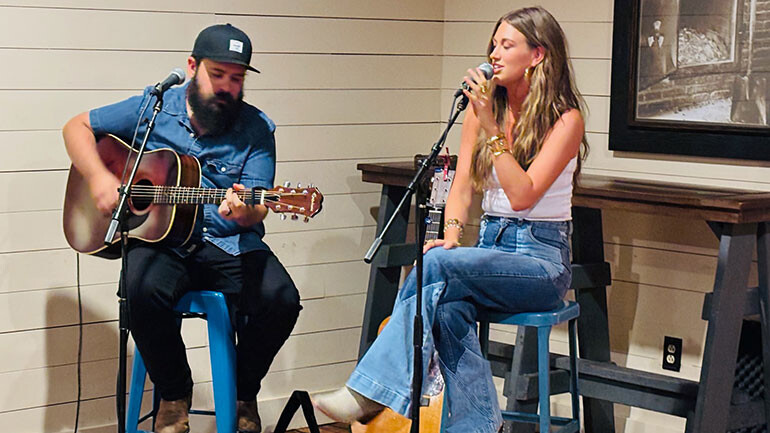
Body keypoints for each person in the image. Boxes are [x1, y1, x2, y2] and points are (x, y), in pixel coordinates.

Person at [313, 6, 588, 433]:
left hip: (541, 262)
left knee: (435, 270)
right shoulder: (485, 112)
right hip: (492, 251)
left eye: (507, 45)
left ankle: (370, 394)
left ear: (538, 55)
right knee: (445, 303)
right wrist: (453, 235)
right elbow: (461, 185)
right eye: (493, 44)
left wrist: (492, 126)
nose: (494, 54)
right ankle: (479, 426)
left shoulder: (565, 120)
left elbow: (522, 195)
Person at [62, 24, 301, 433]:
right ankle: (174, 394)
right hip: (161, 241)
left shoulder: (258, 130)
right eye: (218, 74)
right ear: (193, 67)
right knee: (141, 290)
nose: (227, 87)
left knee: (281, 299)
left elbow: (256, 211)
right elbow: (76, 128)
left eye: (237, 78)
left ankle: (244, 393)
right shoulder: (155, 107)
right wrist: (101, 178)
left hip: (226, 242)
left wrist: (243, 209)